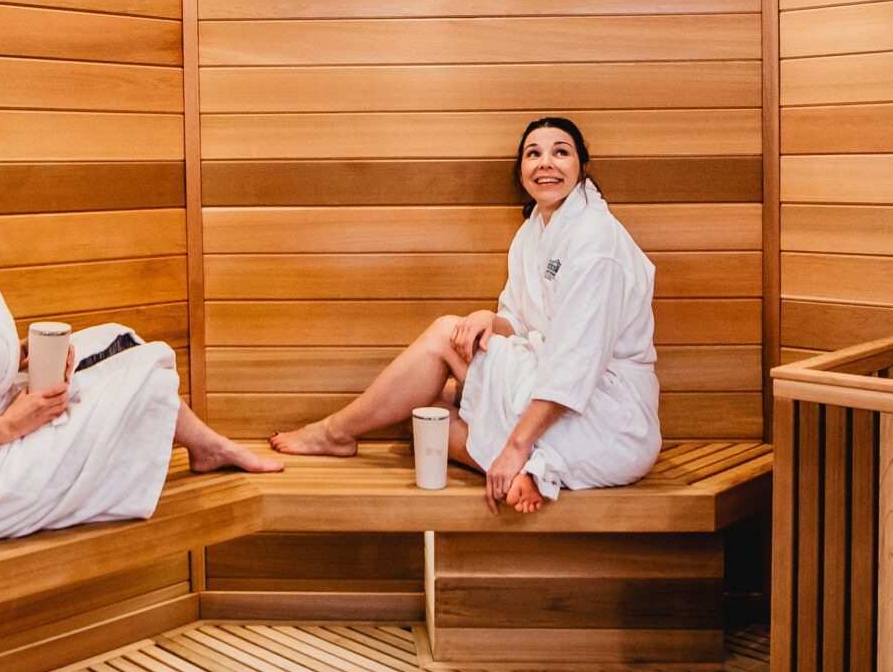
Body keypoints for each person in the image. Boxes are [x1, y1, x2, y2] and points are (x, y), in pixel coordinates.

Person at [0, 127, 277, 544]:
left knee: (117, 339)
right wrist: (10, 425)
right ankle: (213, 448)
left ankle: (208, 448)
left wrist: (20, 356)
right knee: (146, 373)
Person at [270, 117, 661, 514]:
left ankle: (335, 433)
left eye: (561, 152)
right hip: (558, 386)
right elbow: (521, 322)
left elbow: (575, 363)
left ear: (581, 167)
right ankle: (527, 471)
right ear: (521, 171)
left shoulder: (595, 240)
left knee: (444, 336)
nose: (546, 162)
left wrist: (515, 445)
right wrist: (489, 320)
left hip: (608, 415)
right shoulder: (533, 233)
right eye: (533, 153)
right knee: (423, 413)